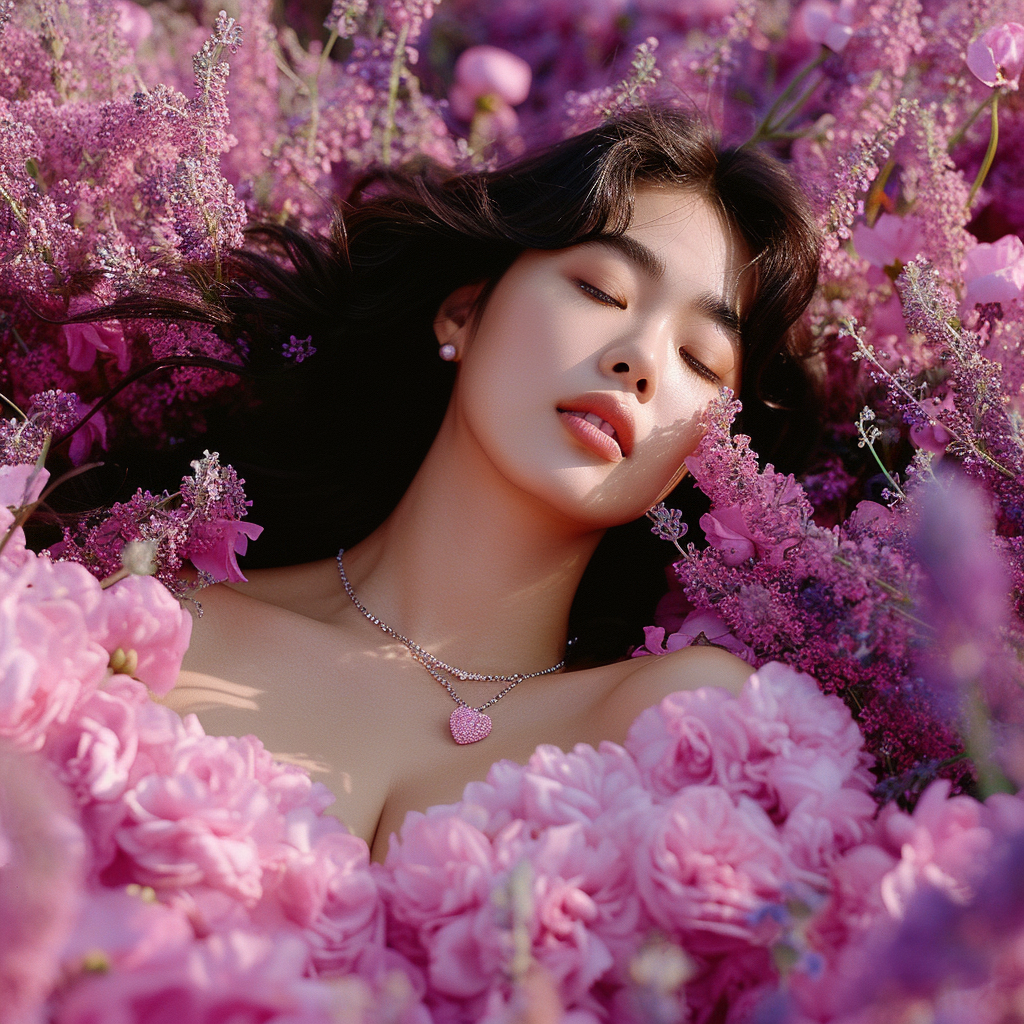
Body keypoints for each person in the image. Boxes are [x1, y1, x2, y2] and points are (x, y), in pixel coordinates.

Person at [156, 107, 821, 861]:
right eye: (603, 290)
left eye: (699, 360)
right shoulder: (163, 631)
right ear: (463, 313)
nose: (639, 360)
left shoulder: (684, 723)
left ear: (703, 458)